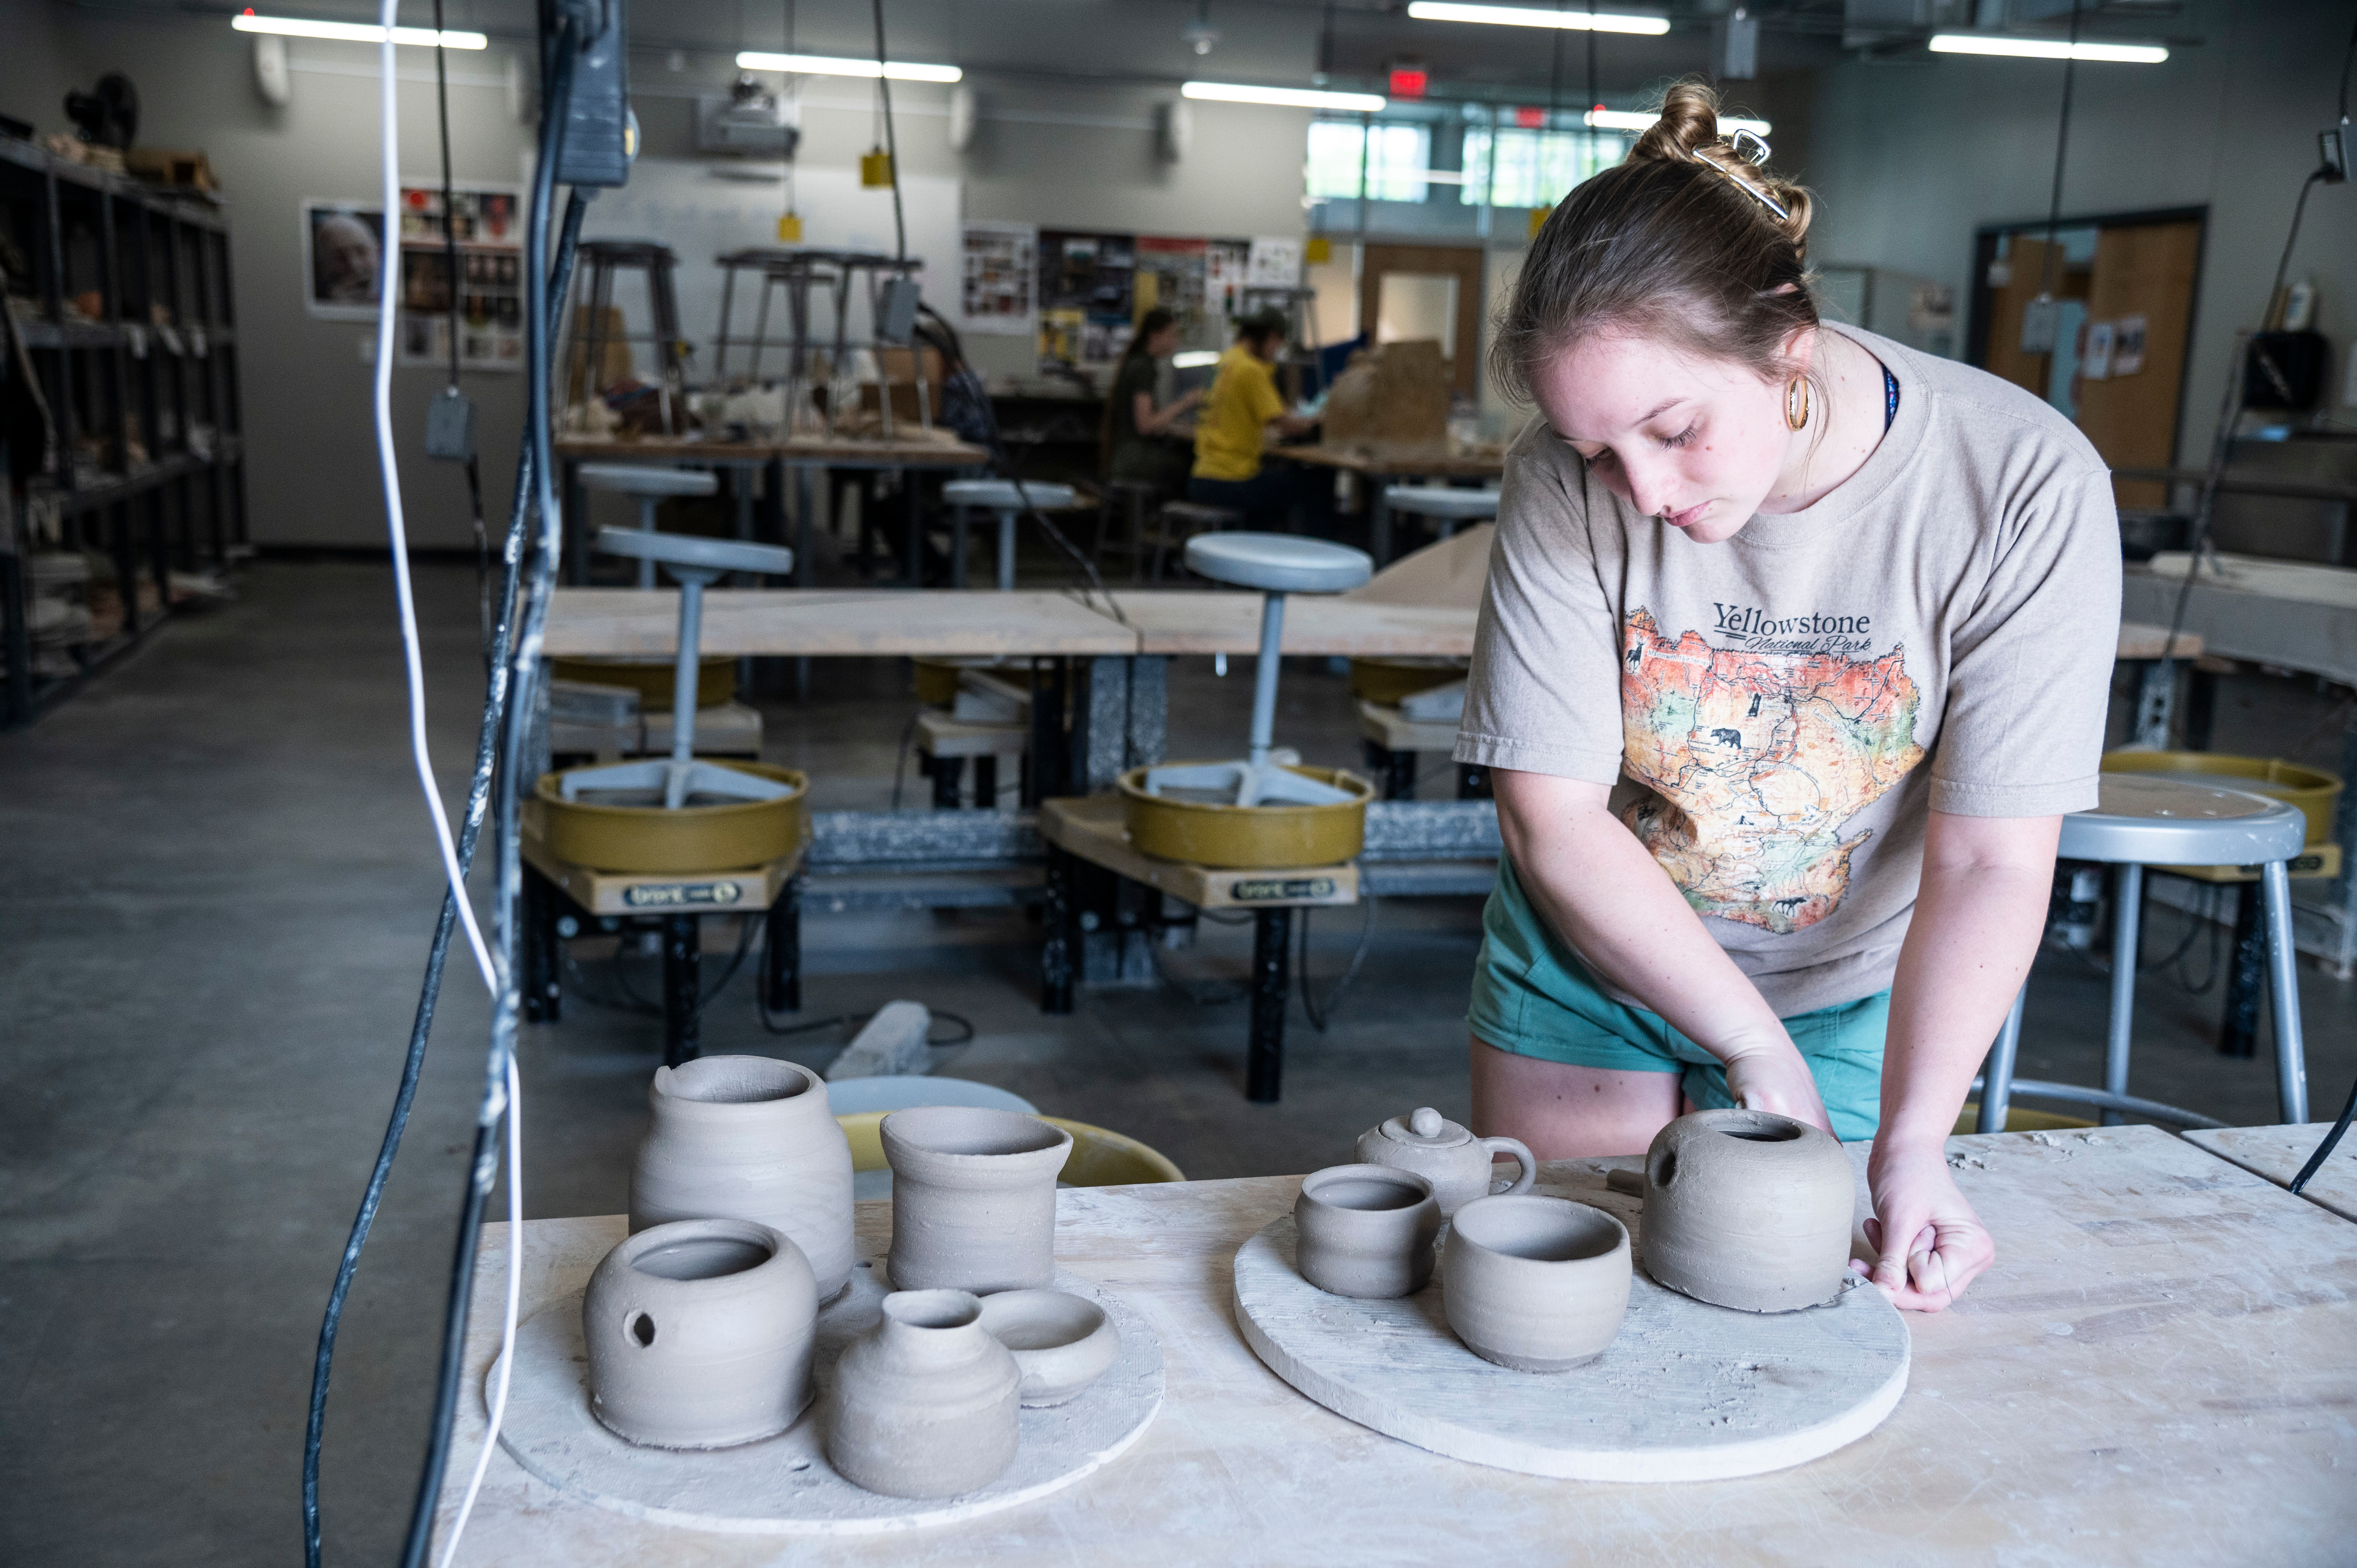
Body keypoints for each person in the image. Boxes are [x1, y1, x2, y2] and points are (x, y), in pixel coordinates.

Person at [1456, 81, 2120, 1314]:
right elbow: (1551, 816)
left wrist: (1918, 1140)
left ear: (1788, 350)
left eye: (1674, 430)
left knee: (1792, 1325)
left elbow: (1989, 862)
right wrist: (1742, 1042)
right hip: (1590, 957)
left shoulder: (2021, 486)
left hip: (1848, 985)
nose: (1641, 491)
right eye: (1603, 451)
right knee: (1559, 1311)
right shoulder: (1563, 478)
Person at [1189, 309, 1315, 529]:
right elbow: (1287, 425)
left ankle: (1244, 542)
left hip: (1202, 476)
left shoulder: (1222, 363)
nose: (1275, 352)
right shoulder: (1251, 369)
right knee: (1309, 484)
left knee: (1273, 485)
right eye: (1277, 345)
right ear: (1270, 337)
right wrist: (1317, 421)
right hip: (1231, 478)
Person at [1103, 307, 1202, 493]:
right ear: (1154, 336)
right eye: (1172, 335)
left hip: (1126, 456)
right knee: (1194, 466)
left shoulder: (1135, 362)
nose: (1176, 341)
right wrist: (1185, 403)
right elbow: (1145, 426)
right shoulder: (1143, 368)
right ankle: (1173, 521)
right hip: (1134, 460)